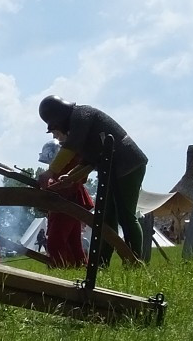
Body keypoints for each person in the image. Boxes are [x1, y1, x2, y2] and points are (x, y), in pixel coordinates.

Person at [38, 95, 147, 266]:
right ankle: (101, 263)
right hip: (112, 169)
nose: (56, 133)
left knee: (126, 216)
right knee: (107, 219)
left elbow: (72, 147)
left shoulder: (81, 115)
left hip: (128, 164)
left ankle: (135, 261)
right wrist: (70, 177)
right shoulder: (79, 121)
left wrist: (51, 171)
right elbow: (89, 161)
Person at [37, 139, 93, 268]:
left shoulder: (68, 170)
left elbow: (66, 188)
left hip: (66, 204)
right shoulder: (61, 170)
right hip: (69, 205)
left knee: (55, 241)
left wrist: (48, 189)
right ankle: (79, 267)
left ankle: (58, 267)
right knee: (74, 242)